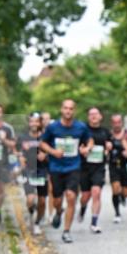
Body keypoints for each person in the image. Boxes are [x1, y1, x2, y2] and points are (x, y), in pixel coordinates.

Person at [40, 99, 92, 244]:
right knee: (57, 200)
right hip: (56, 168)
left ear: (74, 111)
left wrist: (87, 149)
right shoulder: (53, 127)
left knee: (70, 196)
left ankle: (66, 231)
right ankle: (58, 211)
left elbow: (90, 140)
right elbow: (42, 143)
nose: (68, 111)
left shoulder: (80, 127)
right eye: (65, 108)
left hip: (73, 167)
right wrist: (53, 151)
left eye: (71, 108)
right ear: (61, 110)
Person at [78, 106, 111, 233]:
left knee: (96, 192)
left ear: (100, 116)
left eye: (96, 114)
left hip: (99, 167)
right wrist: (82, 150)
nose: (93, 116)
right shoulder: (83, 131)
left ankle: (94, 223)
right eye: (91, 114)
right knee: (85, 196)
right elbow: (78, 146)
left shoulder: (105, 132)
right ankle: (82, 208)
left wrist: (109, 147)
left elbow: (109, 146)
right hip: (85, 167)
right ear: (88, 117)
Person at [17, 112, 49, 235]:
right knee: (30, 199)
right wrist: (20, 157)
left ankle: (37, 223)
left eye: (37, 121)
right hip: (29, 171)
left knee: (42, 201)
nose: (34, 123)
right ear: (28, 122)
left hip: (42, 171)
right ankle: (31, 213)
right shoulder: (23, 137)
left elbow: (53, 151)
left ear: (40, 123)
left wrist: (45, 155)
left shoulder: (46, 137)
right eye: (32, 121)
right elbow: (17, 151)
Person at [107, 113, 127, 223]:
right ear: (112, 123)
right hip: (113, 165)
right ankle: (117, 213)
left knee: (126, 192)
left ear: (121, 122)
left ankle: (123, 197)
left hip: (126, 166)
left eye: (118, 122)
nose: (117, 124)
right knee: (116, 188)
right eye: (114, 122)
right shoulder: (108, 135)